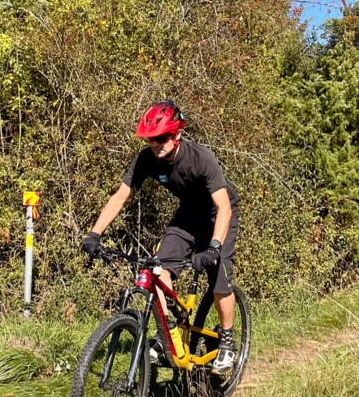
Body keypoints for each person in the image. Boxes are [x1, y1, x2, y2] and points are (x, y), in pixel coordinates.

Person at [81, 100, 241, 375]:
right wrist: (95, 233)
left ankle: (227, 340)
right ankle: (167, 335)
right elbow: (120, 196)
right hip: (188, 217)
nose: (155, 144)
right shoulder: (146, 159)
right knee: (158, 270)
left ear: (178, 133)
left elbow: (224, 206)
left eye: (161, 137)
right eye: (150, 139)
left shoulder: (201, 158)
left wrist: (215, 247)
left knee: (219, 280)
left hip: (219, 215)